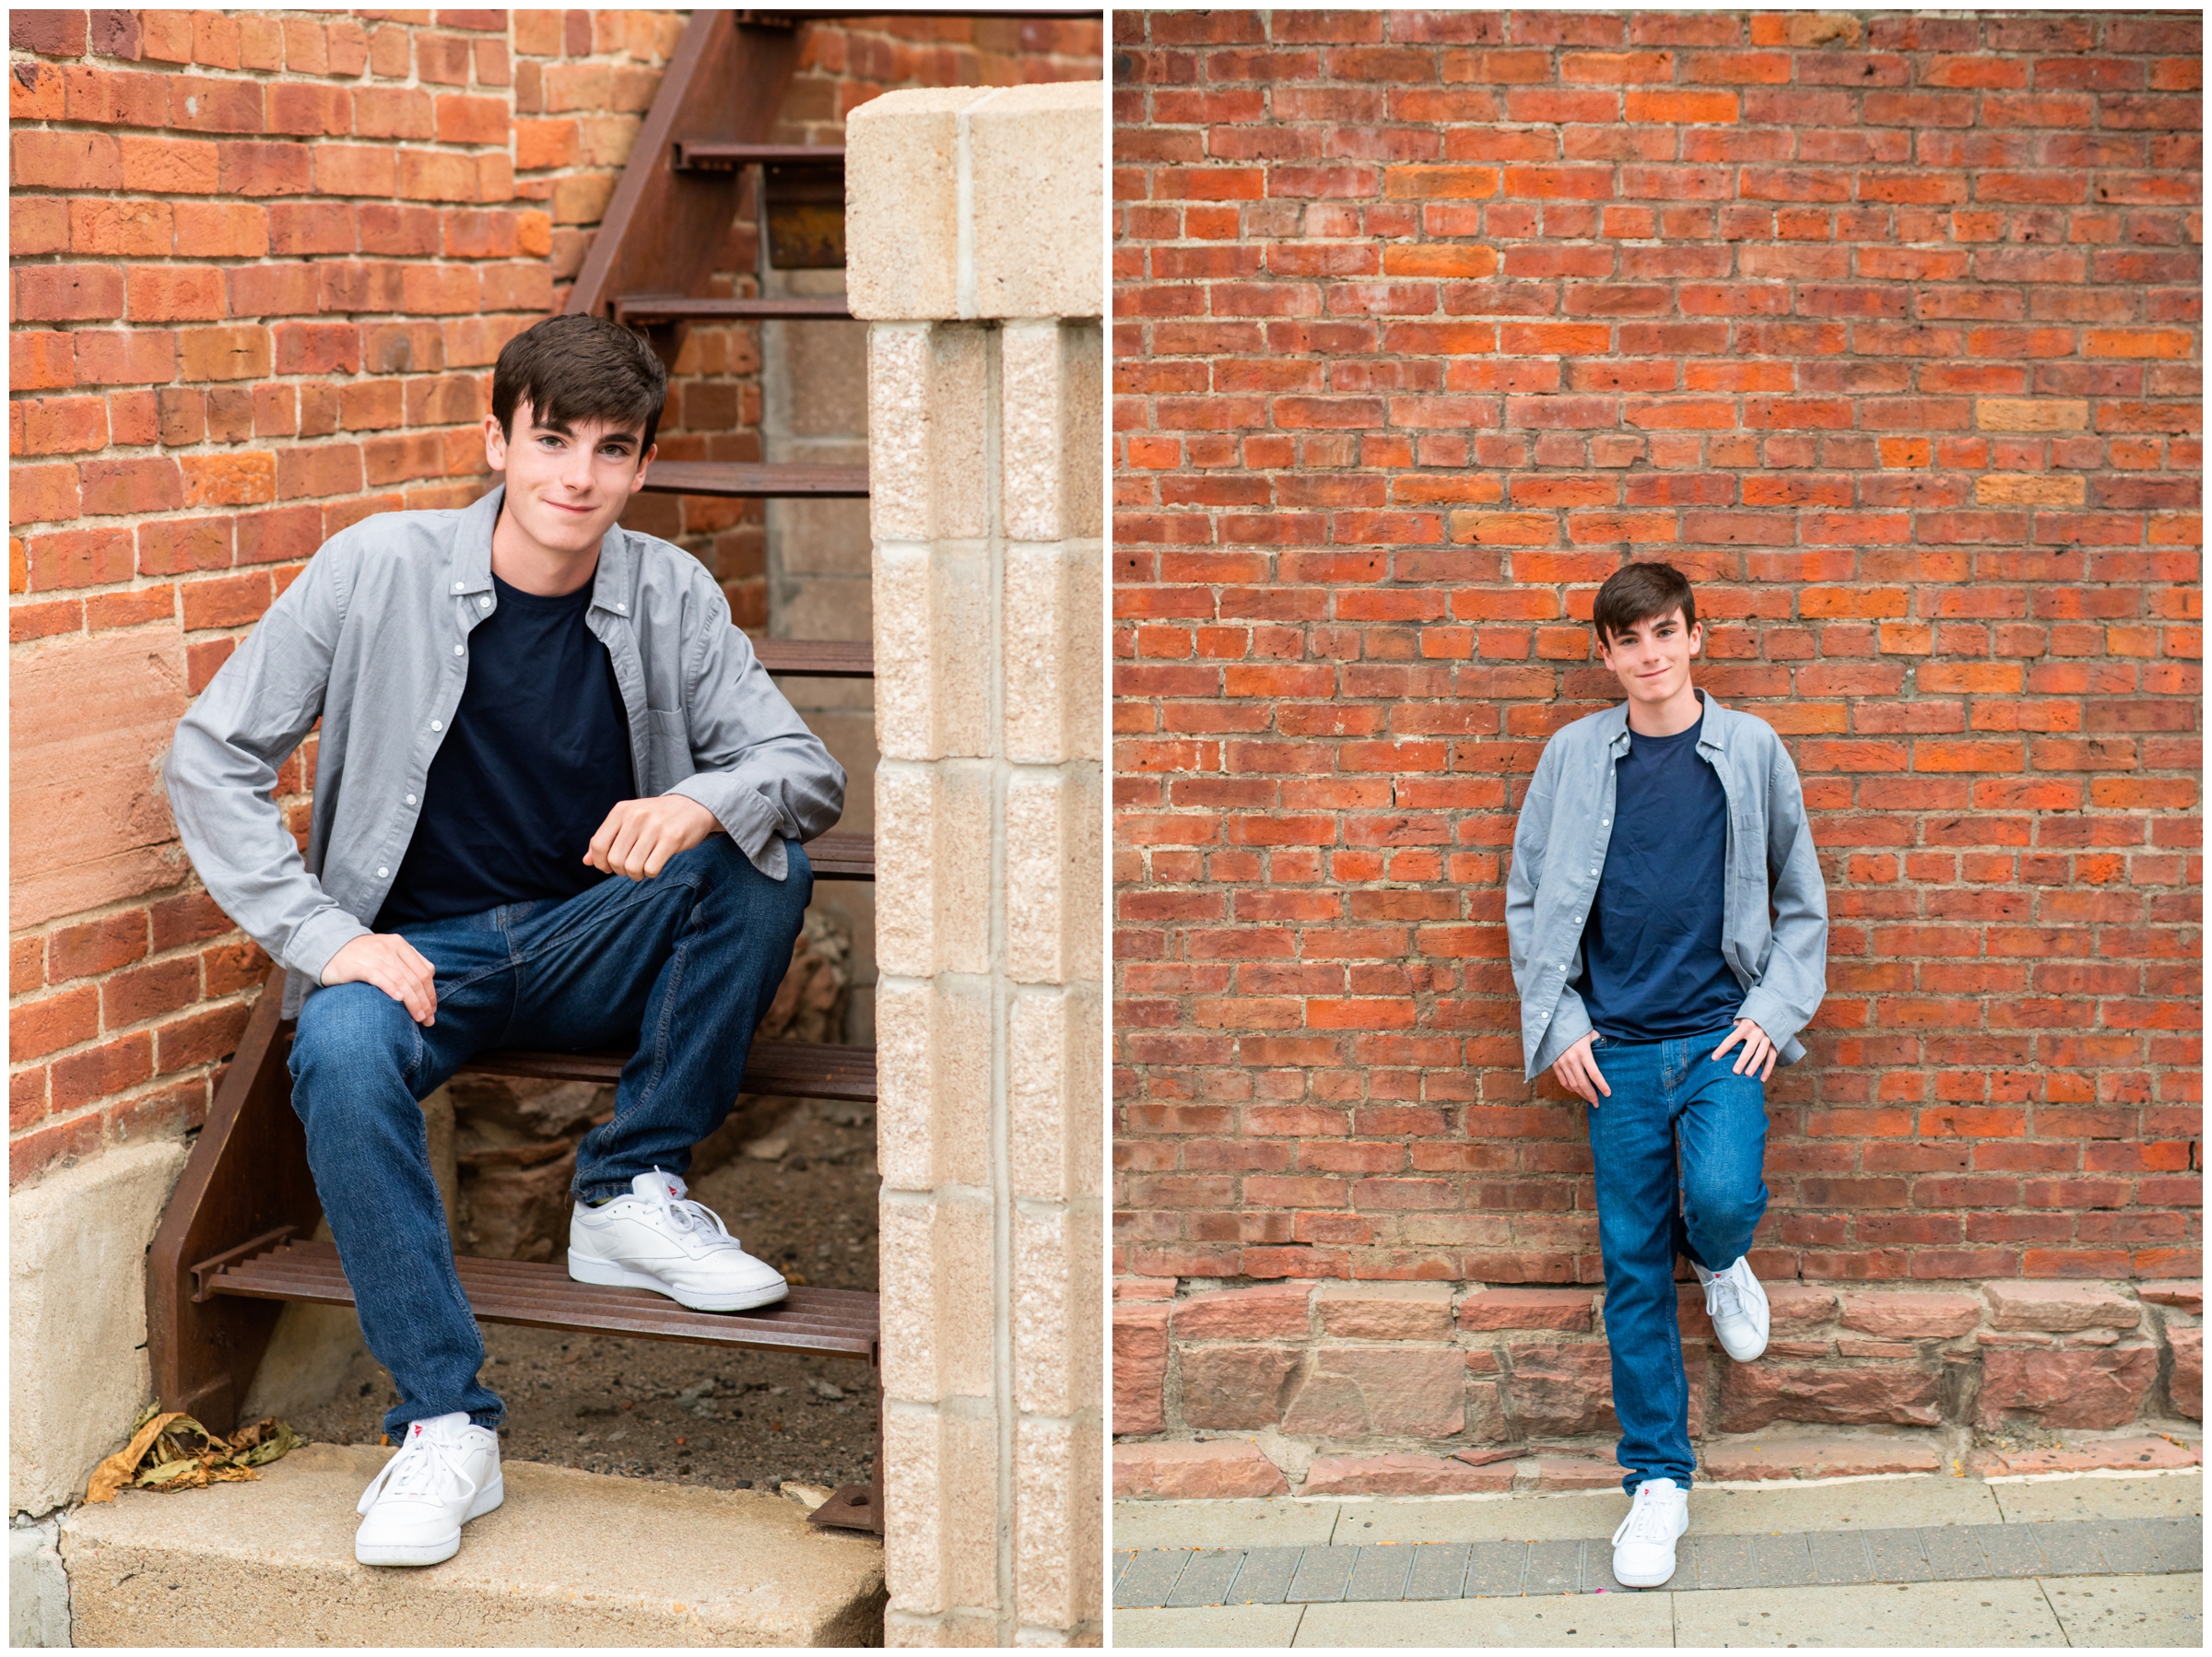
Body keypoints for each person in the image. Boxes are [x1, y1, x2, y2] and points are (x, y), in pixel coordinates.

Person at [164, 312, 846, 1567]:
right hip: (420, 961)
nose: (576, 477)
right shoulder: (377, 566)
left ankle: (631, 1182)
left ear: (644, 466)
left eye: (611, 449)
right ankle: (444, 1421)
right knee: (342, 1052)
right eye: (550, 440)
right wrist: (323, 937)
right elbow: (211, 755)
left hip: (595, 944)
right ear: (496, 439)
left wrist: (700, 798)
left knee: (756, 854)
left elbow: (802, 767)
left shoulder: (671, 593)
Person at [1504, 560, 1828, 1589]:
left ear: (1697, 638)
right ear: (1605, 654)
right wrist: (1559, 1026)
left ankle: (1725, 1259)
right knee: (1632, 1264)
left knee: (1724, 1197)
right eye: (1627, 639)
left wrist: (1773, 1014)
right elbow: (1527, 903)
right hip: (1618, 1054)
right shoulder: (1570, 757)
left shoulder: (1753, 750)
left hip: (1722, 1036)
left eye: (1664, 634)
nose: (1648, 655)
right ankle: (1657, 1481)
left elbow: (1803, 899)